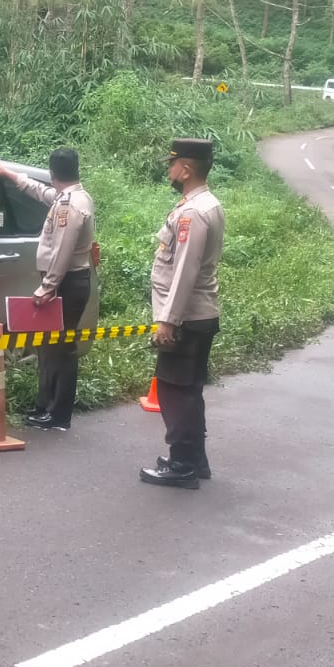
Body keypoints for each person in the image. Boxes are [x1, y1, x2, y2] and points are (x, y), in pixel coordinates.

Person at [139, 137, 225, 488]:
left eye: (172, 164)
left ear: (186, 169)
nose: (169, 169)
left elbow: (185, 271)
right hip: (198, 315)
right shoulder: (206, 204)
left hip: (186, 318)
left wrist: (167, 321)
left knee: (175, 391)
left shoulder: (192, 212)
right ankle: (195, 459)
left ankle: (182, 465)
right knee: (188, 390)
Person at [0, 149, 95, 432]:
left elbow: (62, 250)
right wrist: (10, 174)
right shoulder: (70, 197)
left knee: (61, 349)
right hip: (66, 282)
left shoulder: (69, 206)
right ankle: (46, 407)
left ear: (53, 172)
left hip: (66, 284)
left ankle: (58, 414)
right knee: (49, 347)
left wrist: (48, 287)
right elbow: (38, 191)